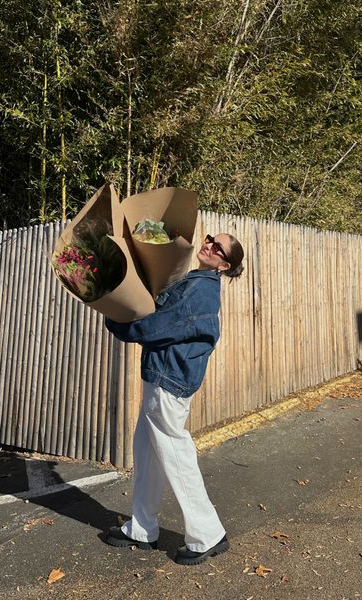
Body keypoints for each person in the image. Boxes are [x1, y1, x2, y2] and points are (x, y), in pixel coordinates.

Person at [104, 233, 244, 565]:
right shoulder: (196, 281)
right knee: (148, 450)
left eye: (218, 248)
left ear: (224, 265)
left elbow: (153, 326)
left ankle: (207, 533)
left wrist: (111, 310)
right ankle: (143, 527)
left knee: (174, 451)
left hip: (169, 380)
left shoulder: (200, 289)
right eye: (211, 239)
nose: (209, 245)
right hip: (166, 376)